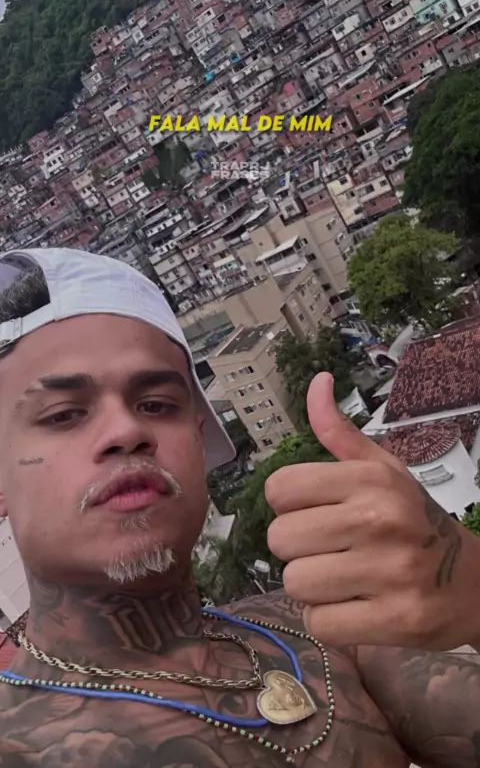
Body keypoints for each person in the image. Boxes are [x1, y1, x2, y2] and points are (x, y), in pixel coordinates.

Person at [0, 246, 478, 768]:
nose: (127, 430)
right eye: (64, 414)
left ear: (198, 440)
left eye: (156, 404)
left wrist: (471, 588)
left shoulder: (322, 628)